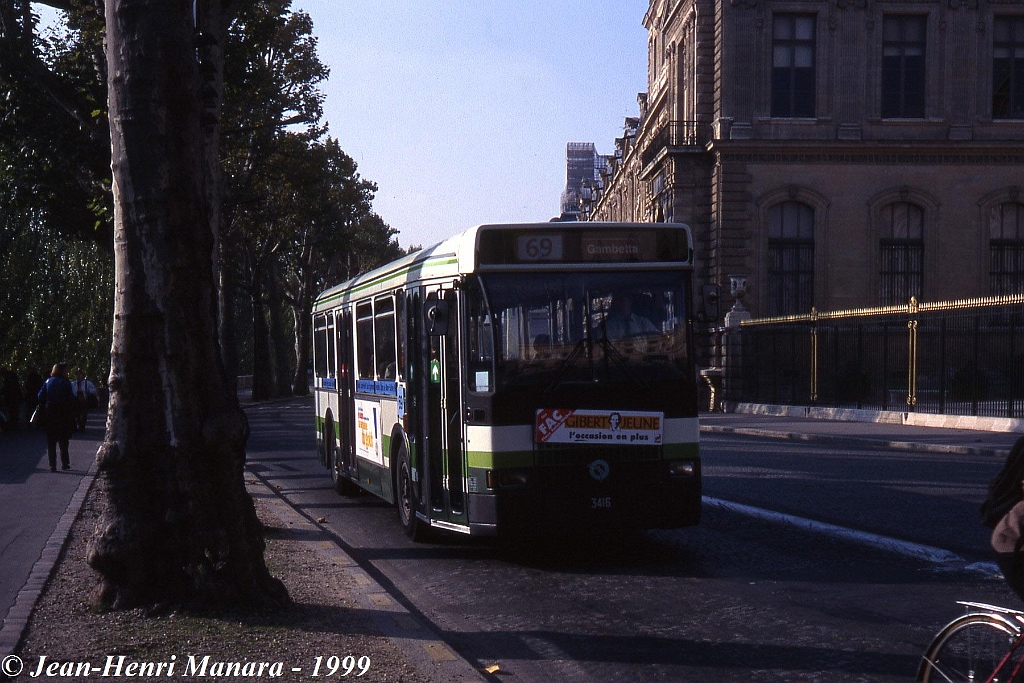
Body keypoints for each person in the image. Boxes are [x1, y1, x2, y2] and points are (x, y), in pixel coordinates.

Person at [37, 363, 76, 471]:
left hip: (49, 413)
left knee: (51, 441)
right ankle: (65, 463)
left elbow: (40, 396)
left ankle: (52, 465)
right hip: (63, 413)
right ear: (62, 371)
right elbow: (71, 398)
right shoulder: (65, 383)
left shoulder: (48, 381)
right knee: (63, 440)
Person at [1, 366, 22, 430]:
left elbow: (7, 387)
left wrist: (2, 392)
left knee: (12, 410)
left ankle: (13, 424)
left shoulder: (8, 377)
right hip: (14, 395)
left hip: (12, 396)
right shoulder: (11, 376)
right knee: (14, 410)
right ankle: (14, 423)